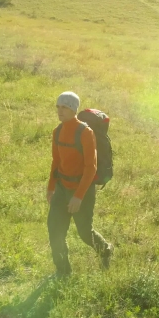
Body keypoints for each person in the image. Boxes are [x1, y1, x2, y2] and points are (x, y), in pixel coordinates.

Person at [47, 91, 113, 277]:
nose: (60, 111)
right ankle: (63, 271)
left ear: (73, 109)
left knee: (84, 233)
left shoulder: (85, 133)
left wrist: (78, 196)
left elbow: (90, 168)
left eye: (65, 107)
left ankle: (106, 250)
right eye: (58, 107)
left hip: (81, 190)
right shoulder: (57, 132)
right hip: (61, 188)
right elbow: (56, 162)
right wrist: (51, 187)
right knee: (55, 230)